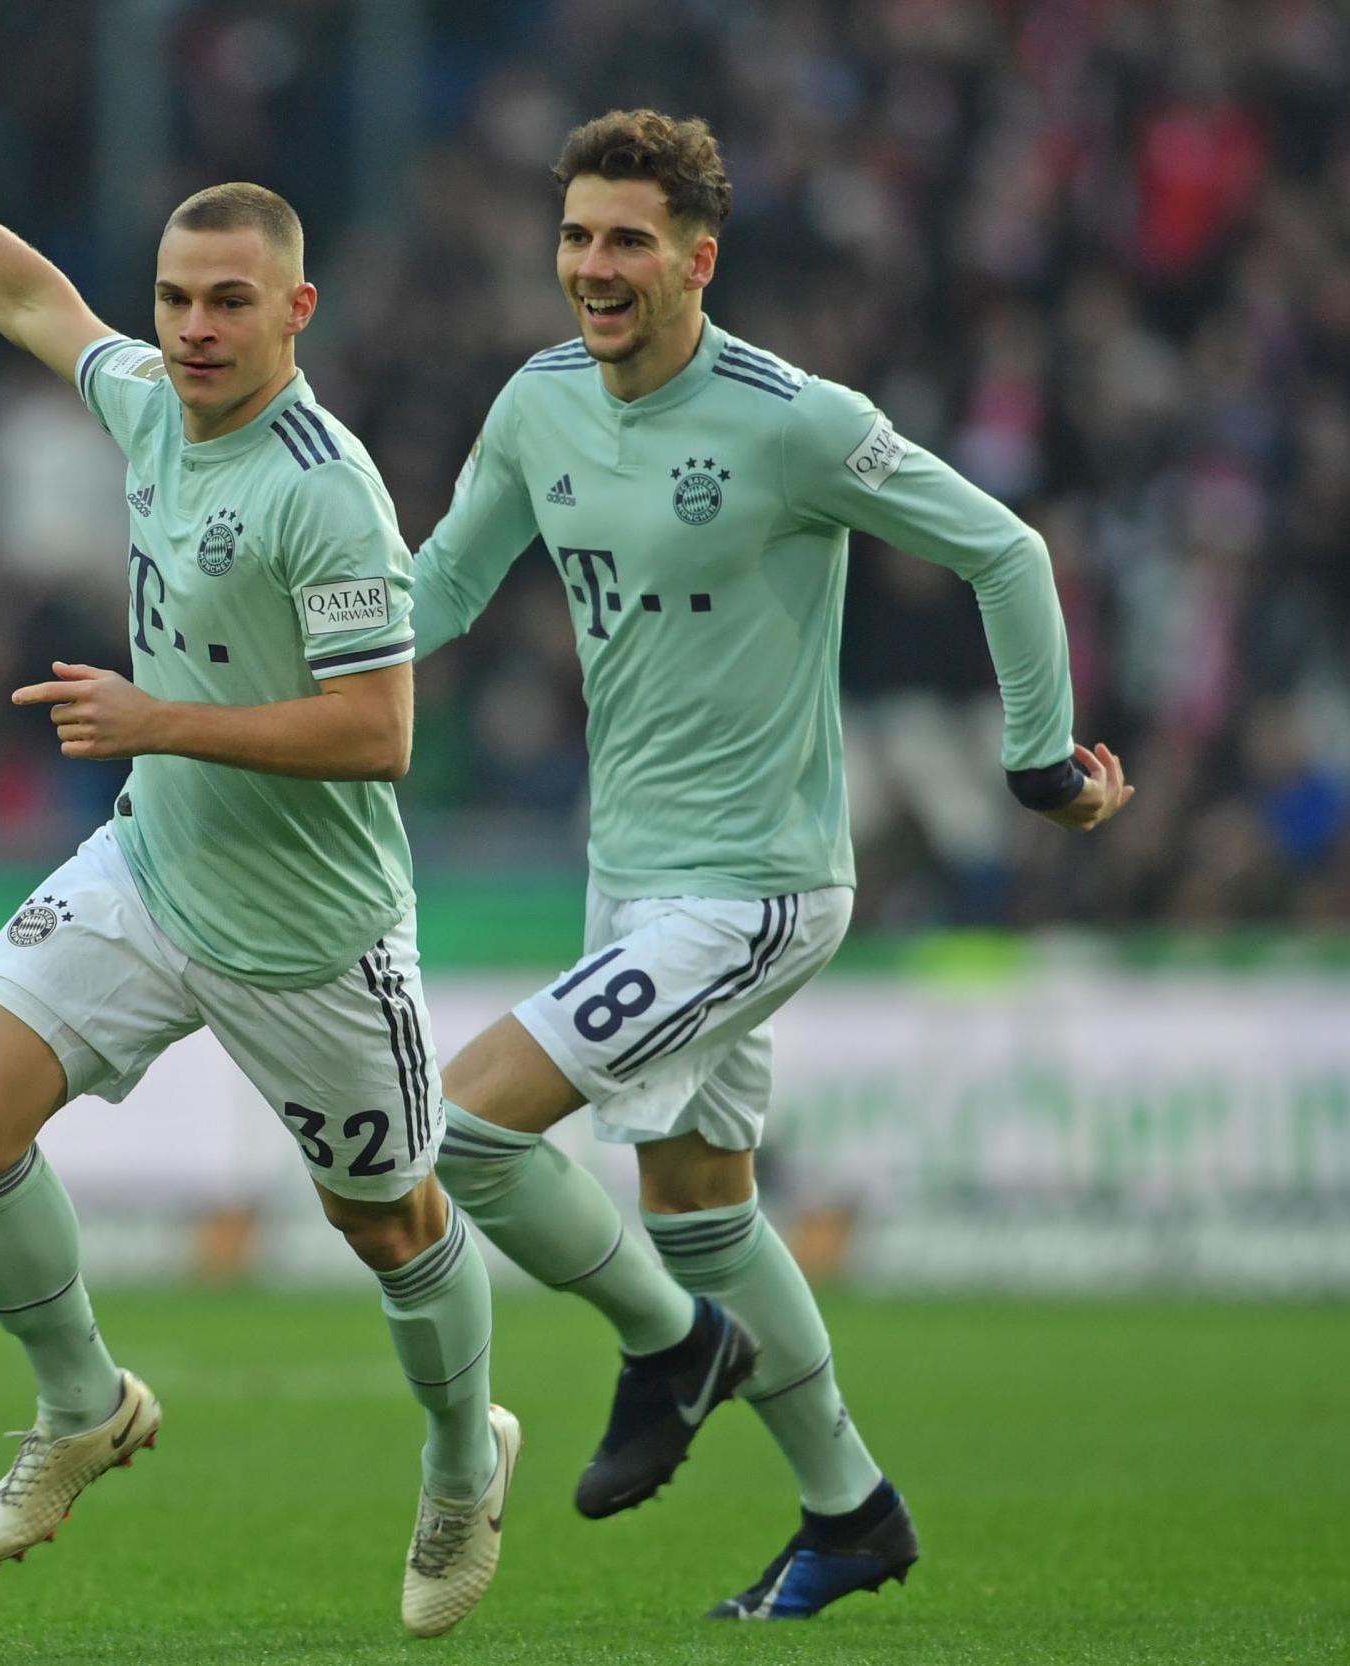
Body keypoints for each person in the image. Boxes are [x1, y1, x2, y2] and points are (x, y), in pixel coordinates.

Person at [0, 29, 517, 1638]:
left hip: (312, 932)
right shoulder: (150, 407)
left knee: (389, 1222)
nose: (189, 326)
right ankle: (84, 1403)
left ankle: (464, 1460)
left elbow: (379, 734)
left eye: (226, 300)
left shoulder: (328, 492)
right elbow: (34, 299)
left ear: (293, 311)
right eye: (176, 296)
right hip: (152, 865)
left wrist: (157, 716)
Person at [412, 110, 1134, 1621]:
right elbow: (439, 594)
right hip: (631, 875)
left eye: (625, 241)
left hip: (757, 888)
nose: (592, 269)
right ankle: (849, 1511)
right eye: (575, 238)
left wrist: (1040, 764)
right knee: (701, 1209)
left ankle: (670, 1349)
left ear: (696, 258)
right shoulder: (537, 404)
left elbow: (1003, 549)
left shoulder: (793, 418)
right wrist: (271, 678)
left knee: (465, 1130)